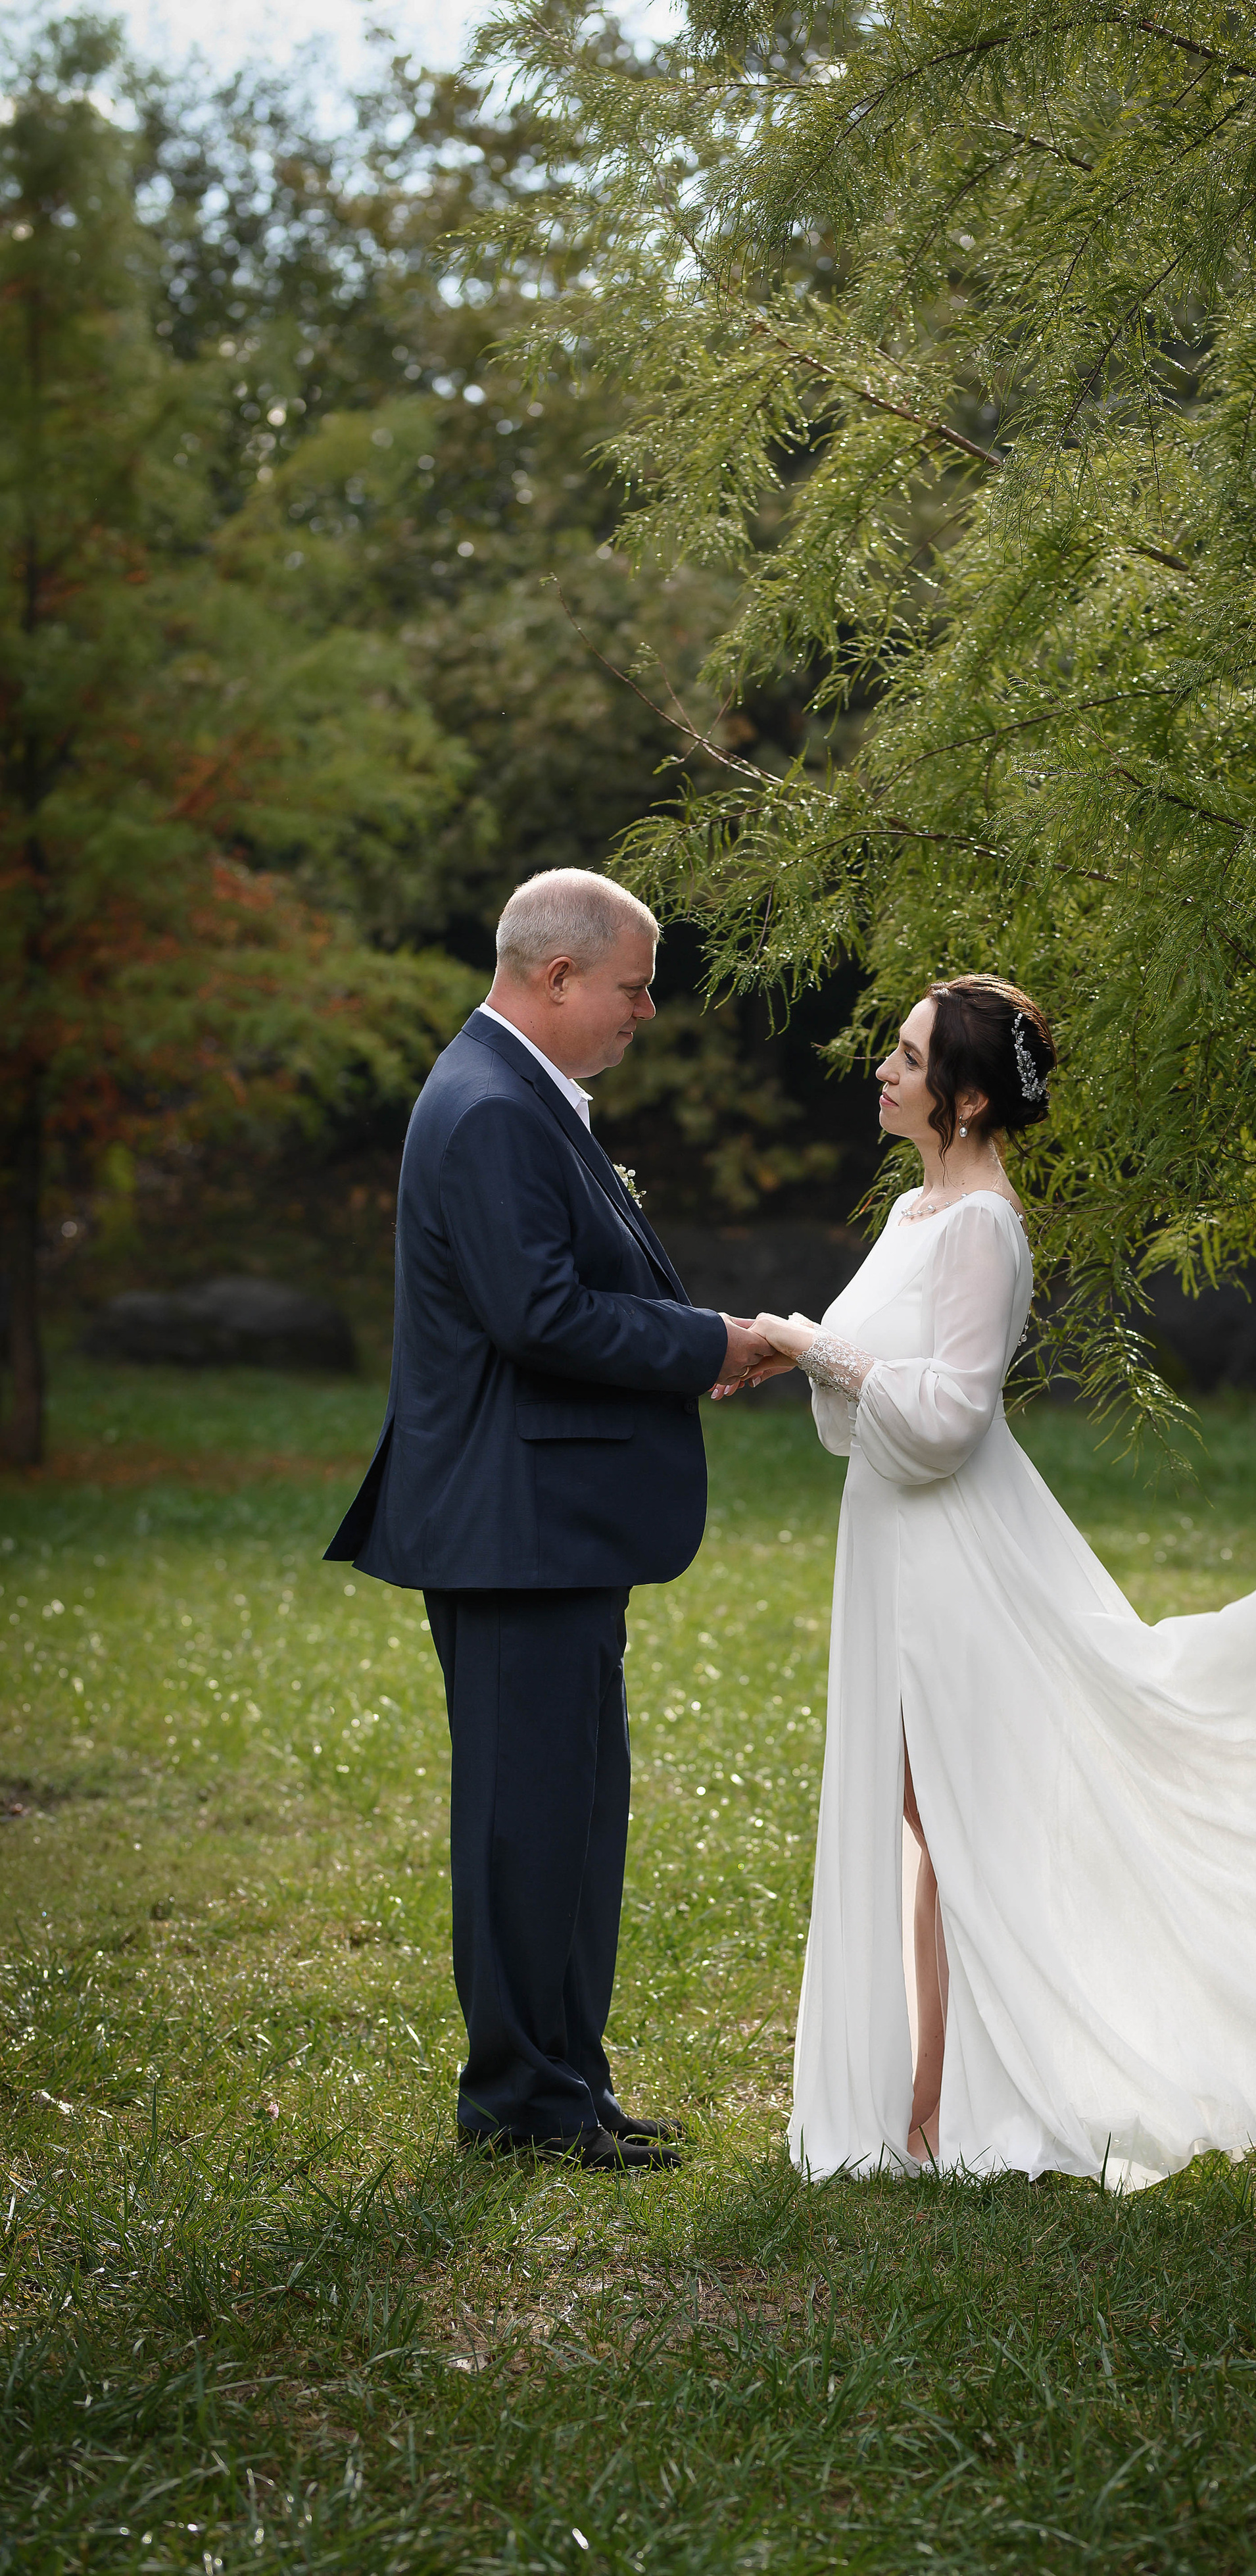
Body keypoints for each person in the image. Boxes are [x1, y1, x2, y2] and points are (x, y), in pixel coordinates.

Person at [723, 973, 1256, 2189]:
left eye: (905, 1059)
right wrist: (802, 1353)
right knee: (925, 1815)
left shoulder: (987, 1227)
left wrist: (804, 1341)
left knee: (947, 1812)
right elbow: (881, 1394)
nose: (883, 1073)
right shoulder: (912, 1216)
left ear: (959, 1101)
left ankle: (947, 2110)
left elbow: (948, 1419)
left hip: (959, 1557)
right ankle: (926, 2102)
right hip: (896, 1543)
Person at [326, 868, 773, 2170]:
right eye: (633, 985)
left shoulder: (518, 1095)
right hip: (511, 1523)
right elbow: (541, 1316)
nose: (646, 1009)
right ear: (557, 976)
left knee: (573, 1815)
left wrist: (704, 1346)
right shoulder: (487, 1109)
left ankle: (566, 2082)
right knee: (528, 1821)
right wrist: (713, 1340)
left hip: (545, 1521)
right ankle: (520, 2102)